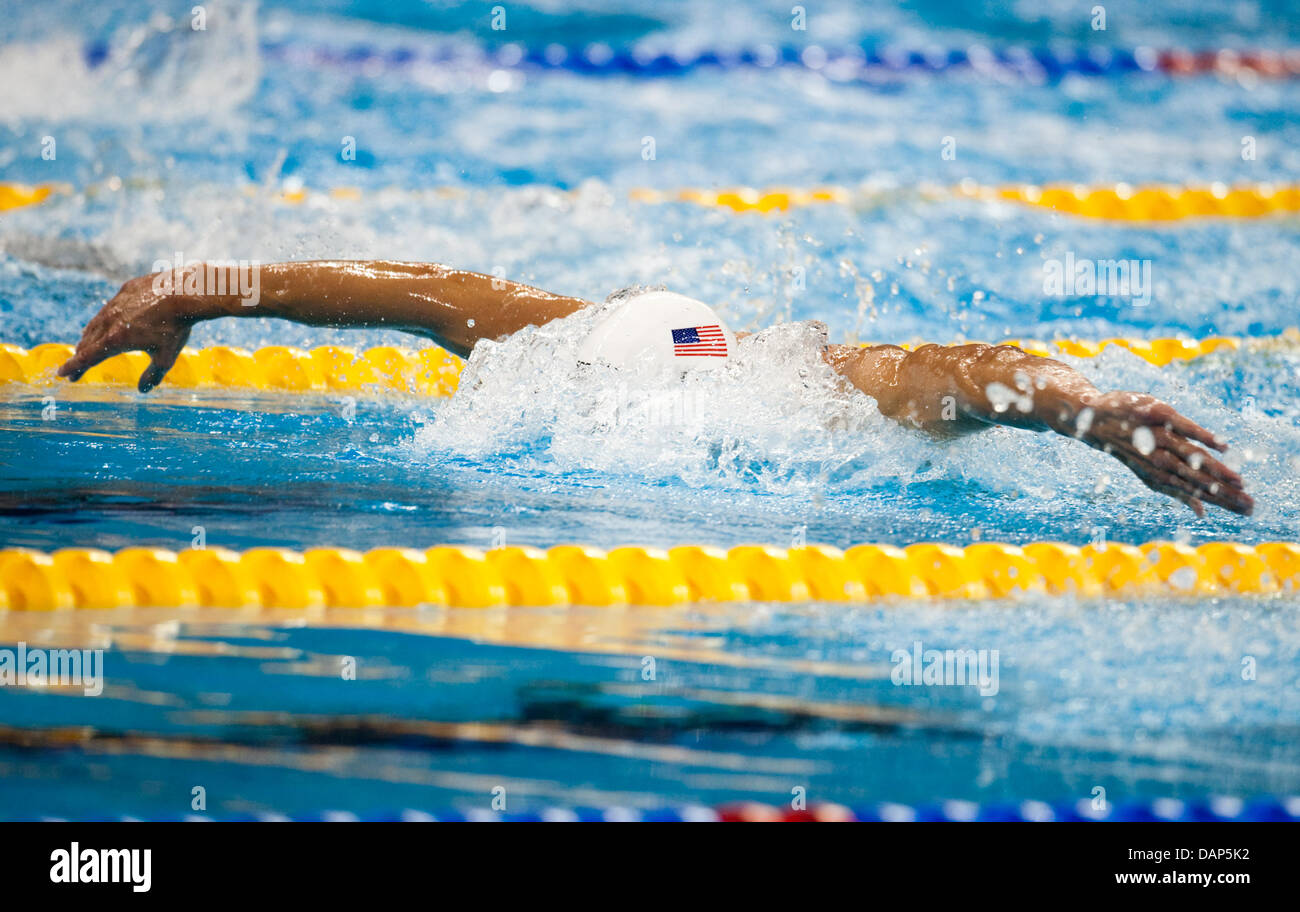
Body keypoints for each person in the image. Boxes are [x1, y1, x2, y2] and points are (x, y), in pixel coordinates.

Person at [57, 260, 1253, 517]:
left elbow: (403, 290)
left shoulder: (788, 397)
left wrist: (203, 283)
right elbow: (953, 372)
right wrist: (1083, 410)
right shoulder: (801, 388)